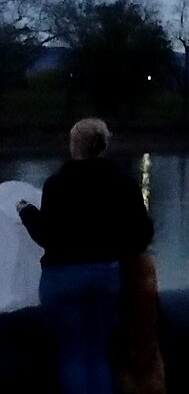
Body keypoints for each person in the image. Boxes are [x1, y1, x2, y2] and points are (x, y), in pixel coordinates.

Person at [17, 118, 154, 394]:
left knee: (73, 354)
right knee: (98, 353)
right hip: (105, 276)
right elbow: (143, 233)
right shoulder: (123, 183)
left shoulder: (57, 184)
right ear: (103, 147)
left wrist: (26, 212)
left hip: (63, 279)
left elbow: (47, 236)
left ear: (73, 146)